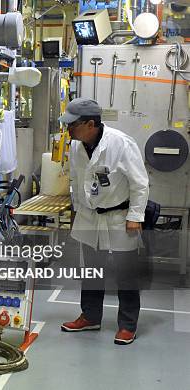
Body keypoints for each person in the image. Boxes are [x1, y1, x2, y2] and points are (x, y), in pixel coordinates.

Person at [58, 98, 149, 345]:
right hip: (89, 216)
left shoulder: (121, 144)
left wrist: (135, 217)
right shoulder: (76, 146)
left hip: (120, 217)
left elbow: (140, 184)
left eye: (72, 125)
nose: (68, 131)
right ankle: (90, 316)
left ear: (90, 124)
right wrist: (76, 211)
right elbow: (76, 182)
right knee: (91, 271)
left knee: (126, 274)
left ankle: (128, 325)